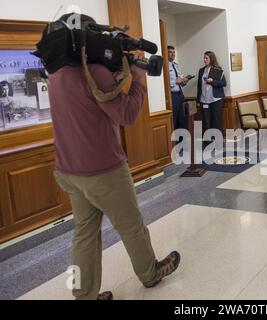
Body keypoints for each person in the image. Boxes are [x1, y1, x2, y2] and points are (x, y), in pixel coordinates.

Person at [48, 14, 181, 300]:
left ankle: (83, 294)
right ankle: (150, 273)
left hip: (68, 170)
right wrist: (139, 79)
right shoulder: (94, 71)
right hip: (103, 170)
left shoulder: (56, 72)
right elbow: (128, 114)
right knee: (131, 226)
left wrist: (117, 74)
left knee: (84, 234)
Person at [197, 51, 227, 135]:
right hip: (204, 100)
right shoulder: (201, 70)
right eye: (204, 58)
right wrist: (198, 100)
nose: (204, 60)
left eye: (206, 58)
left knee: (216, 122)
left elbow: (224, 83)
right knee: (206, 123)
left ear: (211, 59)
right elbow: (199, 86)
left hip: (215, 100)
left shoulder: (217, 69)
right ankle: (207, 144)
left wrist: (212, 81)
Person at [168, 46, 190, 130]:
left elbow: (180, 79)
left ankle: (182, 142)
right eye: (170, 52)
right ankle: (175, 142)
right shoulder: (165, 66)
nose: (173, 54)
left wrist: (184, 81)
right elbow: (163, 82)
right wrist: (175, 82)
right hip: (172, 95)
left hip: (180, 94)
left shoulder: (176, 65)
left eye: (174, 52)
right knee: (174, 120)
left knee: (182, 119)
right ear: (166, 53)